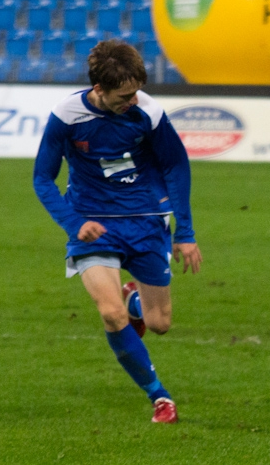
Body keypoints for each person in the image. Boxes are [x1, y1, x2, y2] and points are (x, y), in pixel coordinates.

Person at [33, 40, 202, 424]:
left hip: (145, 219)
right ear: (99, 89)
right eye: (124, 96)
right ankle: (160, 398)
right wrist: (74, 224)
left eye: (136, 91)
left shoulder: (148, 112)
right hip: (92, 223)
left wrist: (185, 231)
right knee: (110, 314)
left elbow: (176, 166)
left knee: (160, 324)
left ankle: (135, 301)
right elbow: (43, 179)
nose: (132, 100)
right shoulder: (66, 116)